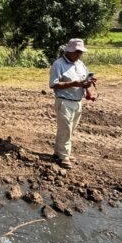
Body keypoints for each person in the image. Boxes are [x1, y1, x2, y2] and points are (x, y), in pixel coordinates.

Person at [49, 38, 95, 169]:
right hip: (64, 101)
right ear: (70, 51)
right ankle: (64, 156)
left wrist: (88, 85)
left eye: (81, 52)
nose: (80, 54)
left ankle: (58, 153)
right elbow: (53, 84)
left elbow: (84, 79)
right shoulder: (58, 64)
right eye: (78, 52)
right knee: (66, 129)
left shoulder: (80, 64)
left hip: (77, 101)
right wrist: (74, 83)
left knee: (69, 129)